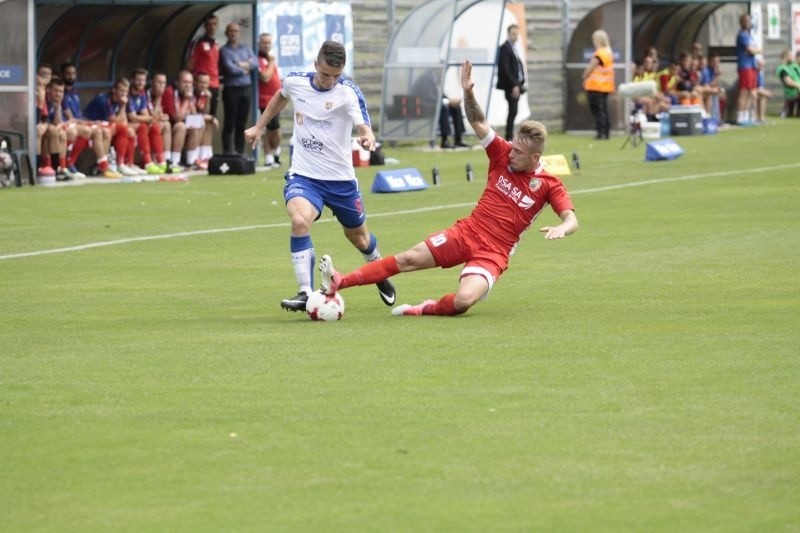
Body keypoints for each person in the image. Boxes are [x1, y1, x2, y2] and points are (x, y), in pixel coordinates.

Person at [316, 60, 578, 317]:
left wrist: (562, 228)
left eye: (519, 152)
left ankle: (423, 309)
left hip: (494, 251)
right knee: (407, 259)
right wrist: (468, 92)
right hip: (468, 231)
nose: (511, 153)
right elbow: (478, 122)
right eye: (513, 148)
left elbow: (571, 219)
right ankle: (340, 281)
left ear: (535, 158)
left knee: (464, 300)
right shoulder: (502, 152)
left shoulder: (548, 184)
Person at [243, 41, 396, 312]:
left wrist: (367, 137)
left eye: (336, 76)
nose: (330, 81)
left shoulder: (348, 93)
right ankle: (305, 292)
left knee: (359, 238)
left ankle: (378, 269)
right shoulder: (295, 82)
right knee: (300, 220)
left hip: (340, 180)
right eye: (326, 75)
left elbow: (364, 126)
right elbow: (280, 96)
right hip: (304, 175)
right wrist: (259, 126)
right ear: (316, 65)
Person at [60, 61, 118, 178]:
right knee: (93, 130)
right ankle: (72, 164)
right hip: (68, 124)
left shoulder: (74, 91)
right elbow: (71, 118)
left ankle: (102, 166)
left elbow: (78, 114)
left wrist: (90, 122)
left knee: (105, 130)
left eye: (73, 74)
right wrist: (90, 122)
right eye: (68, 74)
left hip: (78, 123)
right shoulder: (62, 93)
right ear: (62, 74)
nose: (71, 76)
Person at [83, 77, 140, 177]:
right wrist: (123, 106)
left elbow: (123, 121)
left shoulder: (124, 99)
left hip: (103, 125)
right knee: (119, 129)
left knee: (129, 131)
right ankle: (110, 164)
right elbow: (113, 120)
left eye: (126, 91)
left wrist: (123, 107)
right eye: (121, 90)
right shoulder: (104, 100)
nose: (124, 94)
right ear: (114, 90)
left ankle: (127, 164)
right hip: (88, 124)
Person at [219, 22, 257, 155]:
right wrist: (244, 67)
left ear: (239, 33)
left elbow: (255, 63)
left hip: (245, 89)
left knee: (242, 123)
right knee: (230, 122)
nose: (233, 33)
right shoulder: (224, 50)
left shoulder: (245, 48)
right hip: (231, 89)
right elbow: (230, 69)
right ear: (226, 33)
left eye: (236, 31)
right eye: (231, 31)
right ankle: (228, 153)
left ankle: (239, 152)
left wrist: (239, 64)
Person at [412, 68, 467, 149]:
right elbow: (429, 97)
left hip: (433, 105)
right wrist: (448, 102)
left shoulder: (435, 78)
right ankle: (444, 141)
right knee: (443, 108)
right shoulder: (426, 78)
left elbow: (440, 95)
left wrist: (451, 101)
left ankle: (458, 140)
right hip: (422, 107)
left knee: (456, 107)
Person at [127, 68, 167, 174]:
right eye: (138, 80)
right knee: (143, 126)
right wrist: (153, 118)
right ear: (132, 80)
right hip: (121, 122)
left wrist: (153, 119)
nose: (141, 83)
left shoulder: (142, 93)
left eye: (143, 80)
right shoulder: (127, 92)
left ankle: (161, 161)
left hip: (133, 123)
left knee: (154, 126)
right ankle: (148, 162)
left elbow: (145, 114)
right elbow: (133, 117)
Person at [161, 70, 201, 170]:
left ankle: (191, 162)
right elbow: (177, 118)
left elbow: (194, 116)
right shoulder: (170, 92)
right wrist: (187, 100)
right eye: (185, 82)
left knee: (195, 126)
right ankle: (174, 162)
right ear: (178, 82)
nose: (188, 85)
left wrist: (191, 104)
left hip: (180, 126)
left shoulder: (191, 93)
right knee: (181, 126)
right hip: (168, 127)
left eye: (190, 83)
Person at [186, 14, 221, 118]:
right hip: (202, 84)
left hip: (215, 84)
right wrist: (191, 82)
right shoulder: (198, 42)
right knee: (200, 117)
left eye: (214, 24)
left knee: (212, 118)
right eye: (209, 24)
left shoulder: (216, 43)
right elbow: (190, 63)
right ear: (204, 26)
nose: (212, 27)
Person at [583, 29, 615, 140]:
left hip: (596, 86)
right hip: (605, 86)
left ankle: (601, 132)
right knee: (604, 110)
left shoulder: (600, 53)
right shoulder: (608, 52)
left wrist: (584, 76)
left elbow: (591, 67)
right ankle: (606, 132)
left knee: (598, 110)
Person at [257, 32, 283, 168]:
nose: (266, 45)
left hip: (276, 97)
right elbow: (265, 77)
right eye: (264, 43)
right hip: (266, 99)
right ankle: (269, 156)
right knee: (271, 128)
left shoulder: (268, 58)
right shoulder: (259, 59)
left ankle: (274, 154)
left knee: (274, 128)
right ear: (259, 43)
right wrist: (272, 62)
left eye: (268, 43)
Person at [496, 24, 526, 141]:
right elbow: (505, 68)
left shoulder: (514, 47)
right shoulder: (505, 47)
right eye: (513, 34)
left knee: (514, 111)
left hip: (517, 84)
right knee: (512, 110)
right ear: (508, 34)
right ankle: (509, 135)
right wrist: (514, 84)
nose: (515, 36)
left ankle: (510, 134)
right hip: (511, 86)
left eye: (517, 34)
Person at [735, 13, 760, 126]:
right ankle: (740, 116)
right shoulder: (742, 35)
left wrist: (756, 50)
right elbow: (752, 50)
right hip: (745, 66)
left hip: (752, 66)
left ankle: (746, 116)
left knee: (750, 92)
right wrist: (755, 50)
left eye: (749, 20)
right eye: (745, 20)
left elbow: (756, 49)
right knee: (744, 91)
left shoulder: (749, 35)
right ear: (741, 22)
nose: (748, 22)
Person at [776, 49, 800, 118]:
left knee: (791, 114)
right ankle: (784, 112)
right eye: (791, 55)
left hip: (797, 91)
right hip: (792, 92)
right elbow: (788, 82)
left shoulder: (792, 66)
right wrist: (798, 85)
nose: (793, 57)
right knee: (789, 114)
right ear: (786, 56)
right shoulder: (782, 68)